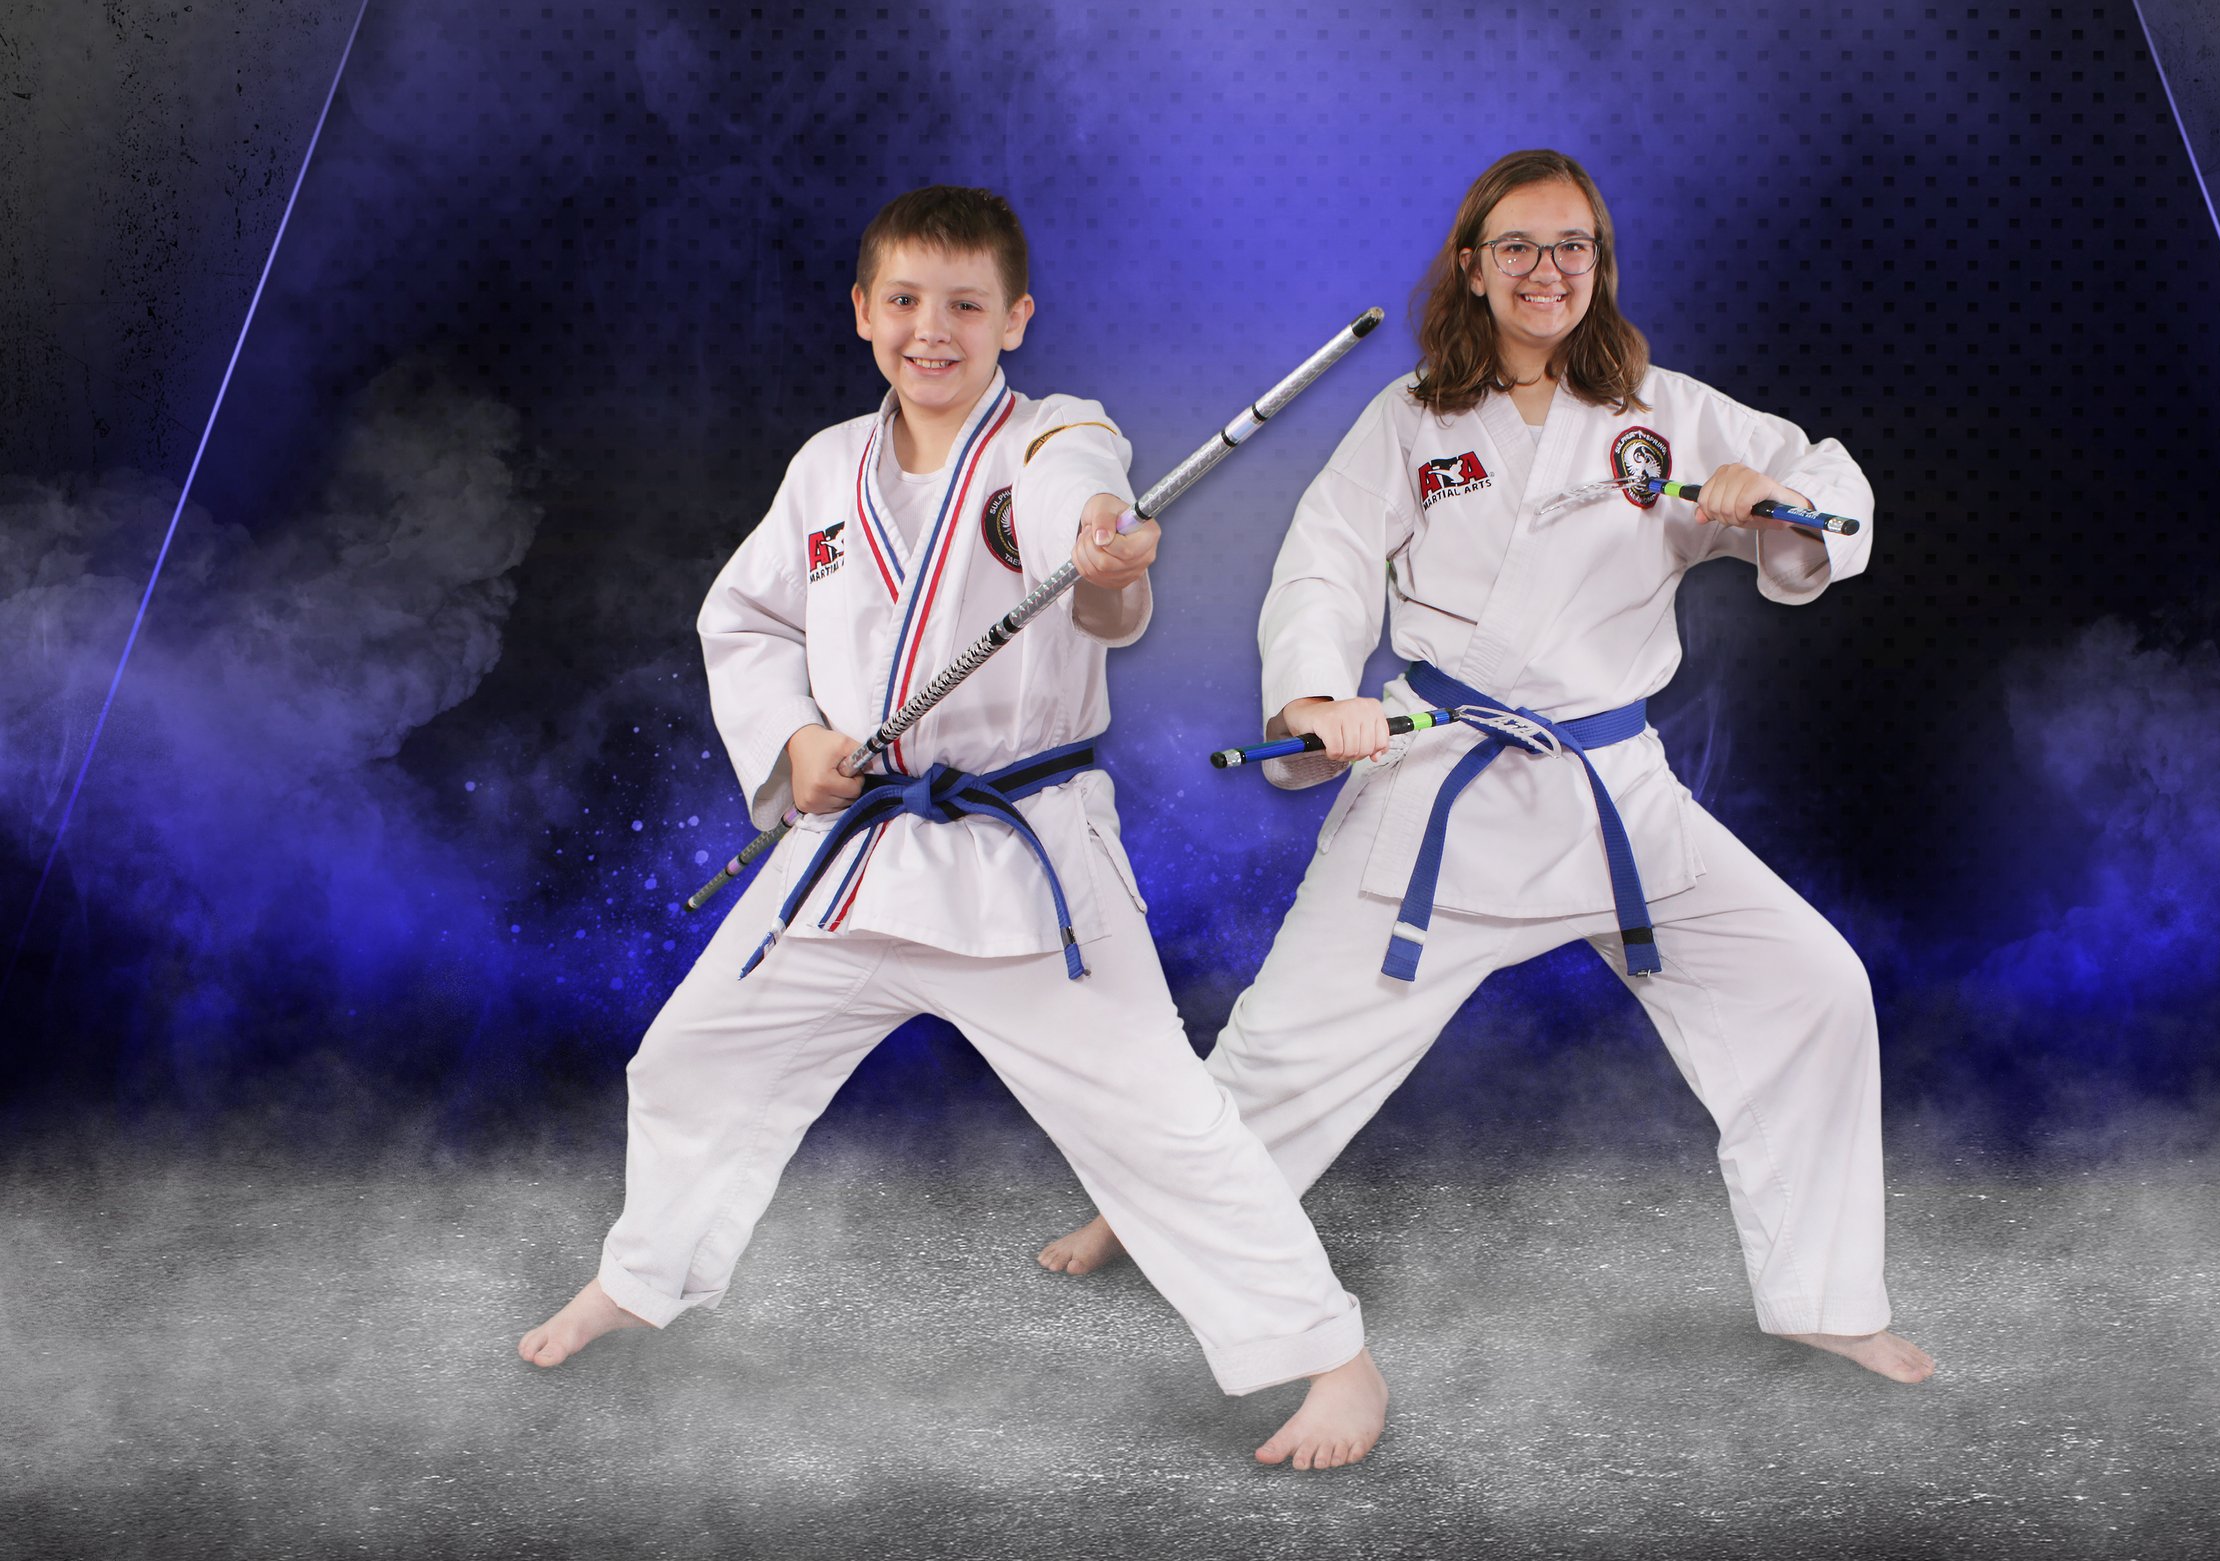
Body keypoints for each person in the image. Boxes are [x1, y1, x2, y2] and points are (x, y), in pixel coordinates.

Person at [520, 185, 1389, 1468]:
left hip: (1017, 861)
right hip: (858, 852)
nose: (934, 330)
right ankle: (641, 1276)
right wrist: (798, 745)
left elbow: (1077, 521)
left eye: (966, 306)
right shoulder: (826, 469)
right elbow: (748, 622)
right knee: (690, 1060)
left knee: (1158, 1119)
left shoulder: (1055, 443)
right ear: (865, 311)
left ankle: (1334, 1359)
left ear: (1014, 319)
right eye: (907, 302)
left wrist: (1105, 554)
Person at [1039, 151, 1933, 1385]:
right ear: (1473, 265)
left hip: (1614, 795)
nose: (1545, 270)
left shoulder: (1661, 413)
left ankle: (1826, 1298)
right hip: (1438, 788)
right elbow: (1325, 561)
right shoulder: (1409, 418)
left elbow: (1828, 490)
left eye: (1572, 247)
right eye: (1516, 246)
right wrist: (1315, 697)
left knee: (1814, 988)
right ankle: (1139, 1213)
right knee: (1283, 1050)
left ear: (1599, 266)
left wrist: (1771, 498)